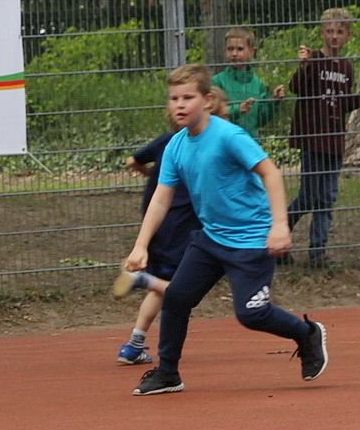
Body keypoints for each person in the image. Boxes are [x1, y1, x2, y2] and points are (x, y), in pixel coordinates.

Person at [121, 65, 326, 397]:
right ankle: (168, 372)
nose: (180, 105)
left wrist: (279, 226)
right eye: (174, 98)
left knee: (252, 314)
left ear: (207, 100)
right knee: (176, 297)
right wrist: (140, 246)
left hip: (251, 240)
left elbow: (270, 173)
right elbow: (160, 198)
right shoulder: (175, 146)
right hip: (211, 238)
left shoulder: (229, 136)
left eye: (188, 97)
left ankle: (306, 333)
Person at [110, 88, 227, 366]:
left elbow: (132, 160)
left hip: (155, 227)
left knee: (162, 291)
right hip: (182, 227)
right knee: (177, 288)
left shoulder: (165, 142)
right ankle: (144, 281)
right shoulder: (200, 147)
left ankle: (133, 345)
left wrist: (151, 174)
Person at [272, 8, 360, 269]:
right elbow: (297, 87)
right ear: (322, 33)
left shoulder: (346, 67)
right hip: (312, 138)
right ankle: (278, 239)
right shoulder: (314, 59)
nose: (334, 36)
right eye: (330, 31)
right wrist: (305, 64)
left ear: (348, 35)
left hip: (333, 141)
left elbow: (344, 104)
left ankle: (318, 253)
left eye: (340, 32)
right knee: (308, 197)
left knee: (327, 197)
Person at [210, 27, 278, 138]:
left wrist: (274, 102)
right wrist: (237, 109)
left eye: (240, 49)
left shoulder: (258, 84)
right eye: (230, 49)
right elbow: (212, 114)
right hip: (225, 142)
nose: (234, 53)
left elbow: (261, 120)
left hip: (251, 141)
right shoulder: (217, 81)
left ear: (252, 52)